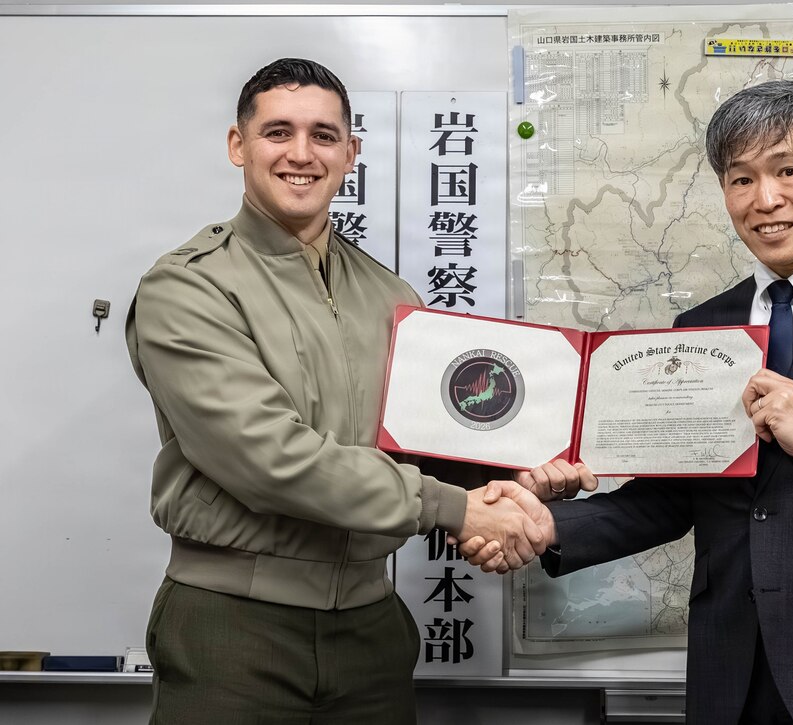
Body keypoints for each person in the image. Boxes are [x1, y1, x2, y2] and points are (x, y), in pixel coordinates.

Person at [463, 80, 793, 724]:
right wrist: (547, 525)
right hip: (731, 671)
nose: (765, 200)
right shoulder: (702, 327)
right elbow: (670, 498)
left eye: (787, 170)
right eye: (740, 179)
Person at [125, 57, 591, 724]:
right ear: (239, 145)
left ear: (352, 152)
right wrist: (460, 511)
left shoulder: (392, 297)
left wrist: (522, 474)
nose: (301, 154)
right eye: (277, 132)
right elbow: (269, 460)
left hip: (370, 630)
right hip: (232, 629)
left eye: (322, 135)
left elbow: (425, 442)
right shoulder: (189, 288)